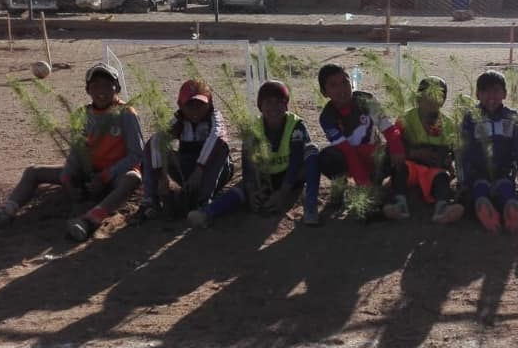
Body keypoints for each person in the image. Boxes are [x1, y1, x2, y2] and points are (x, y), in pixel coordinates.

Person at [0, 63, 143, 242]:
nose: (101, 90)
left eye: (107, 85)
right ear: (88, 90)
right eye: (95, 85)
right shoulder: (82, 114)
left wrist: (105, 176)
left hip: (114, 175)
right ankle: (5, 212)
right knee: (33, 172)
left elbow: (136, 154)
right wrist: (67, 177)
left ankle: (89, 220)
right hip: (88, 174)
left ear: (117, 88)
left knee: (133, 178)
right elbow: (76, 153)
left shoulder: (126, 114)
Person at [188, 80, 320, 227]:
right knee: (241, 190)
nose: (274, 107)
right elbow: (248, 164)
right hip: (266, 177)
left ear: (286, 105)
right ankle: (206, 213)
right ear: (260, 106)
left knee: (312, 151)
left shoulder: (296, 125)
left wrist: (283, 192)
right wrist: (252, 191)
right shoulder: (253, 129)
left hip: (292, 176)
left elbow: (296, 160)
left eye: (279, 102)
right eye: (268, 102)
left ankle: (311, 209)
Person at [315, 64, 409, 220]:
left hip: (374, 157)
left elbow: (388, 128)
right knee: (327, 157)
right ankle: (341, 191)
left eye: (344, 82)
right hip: (349, 161)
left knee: (400, 150)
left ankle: (399, 199)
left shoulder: (366, 100)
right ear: (324, 92)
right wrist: (362, 182)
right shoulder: (327, 117)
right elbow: (347, 150)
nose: (341, 89)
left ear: (351, 82)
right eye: (333, 85)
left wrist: (397, 149)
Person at [137, 79, 232, 221]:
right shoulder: (179, 121)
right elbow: (157, 141)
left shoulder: (215, 119)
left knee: (221, 147)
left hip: (213, 171)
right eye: (190, 106)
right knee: (151, 145)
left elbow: (216, 138)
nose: (195, 111)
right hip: (186, 168)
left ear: (210, 103)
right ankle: (151, 200)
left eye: (200, 105)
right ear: (180, 105)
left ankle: (203, 201)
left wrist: (199, 170)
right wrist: (162, 175)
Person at [459, 70, 518, 234]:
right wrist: (464, 180)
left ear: (504, 94)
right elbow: (464, 150)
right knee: (480, 188)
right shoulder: (470, 118)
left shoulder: (512, 118)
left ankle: (511, 210)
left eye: (496, 91)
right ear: (477, 94)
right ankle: (485, 209)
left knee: (506, 189)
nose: (491, 96)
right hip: (478, 172)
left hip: (504, 171)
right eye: (485, 91)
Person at [396, 76, 465, 224]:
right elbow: (395, 145)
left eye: (439, 96)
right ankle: (398, 204)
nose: (433, 101)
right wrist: (413, 153)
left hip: (433, 170)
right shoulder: (405, 119)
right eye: (429, 95)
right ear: (418, 97)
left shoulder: (448, 124)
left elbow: (452, 148)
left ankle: (442, 209)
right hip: (411, 166)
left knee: (442, 179)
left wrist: (449, 160)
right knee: (400, 170)